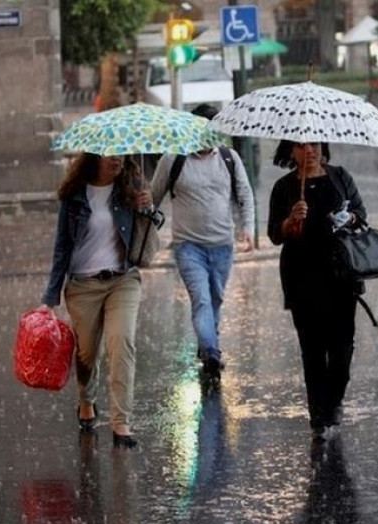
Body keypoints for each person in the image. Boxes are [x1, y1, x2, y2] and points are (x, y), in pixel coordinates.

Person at [137, 104, 255, 381]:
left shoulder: (229, 158)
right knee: (201, 300)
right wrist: (144, 203)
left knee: (215, 299)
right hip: (188, 246)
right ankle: (212, 353)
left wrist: (247, 229)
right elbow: (154, 196)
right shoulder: (174, 159)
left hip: (223, 244)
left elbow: (245, 195)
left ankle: (207, 348)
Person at [41, 153, 149, 449]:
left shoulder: (131, 186)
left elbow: (146, 235)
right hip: (83, 285)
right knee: (87, 353)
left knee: (122, 343)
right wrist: (50, 298)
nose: (118, 160)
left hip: (122, 279)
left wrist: (146, 208)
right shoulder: (75, 194)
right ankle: (86, 398)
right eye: (110, 156)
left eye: (122, 155)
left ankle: (121, 422)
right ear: (95, 157)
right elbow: (62, 246)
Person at [267, 141, 367, 442]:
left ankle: (334, 399)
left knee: (342, 346)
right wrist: (290, 221)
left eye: (314, 143)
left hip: (340, 273)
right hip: (302, 276)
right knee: (312, 349)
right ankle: (318, 415)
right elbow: (274, 233)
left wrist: (348, 218)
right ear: (291, 152)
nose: (309, 150)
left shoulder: (340, 176)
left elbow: (360, 213)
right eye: (300, 145)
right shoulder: (284, 187)